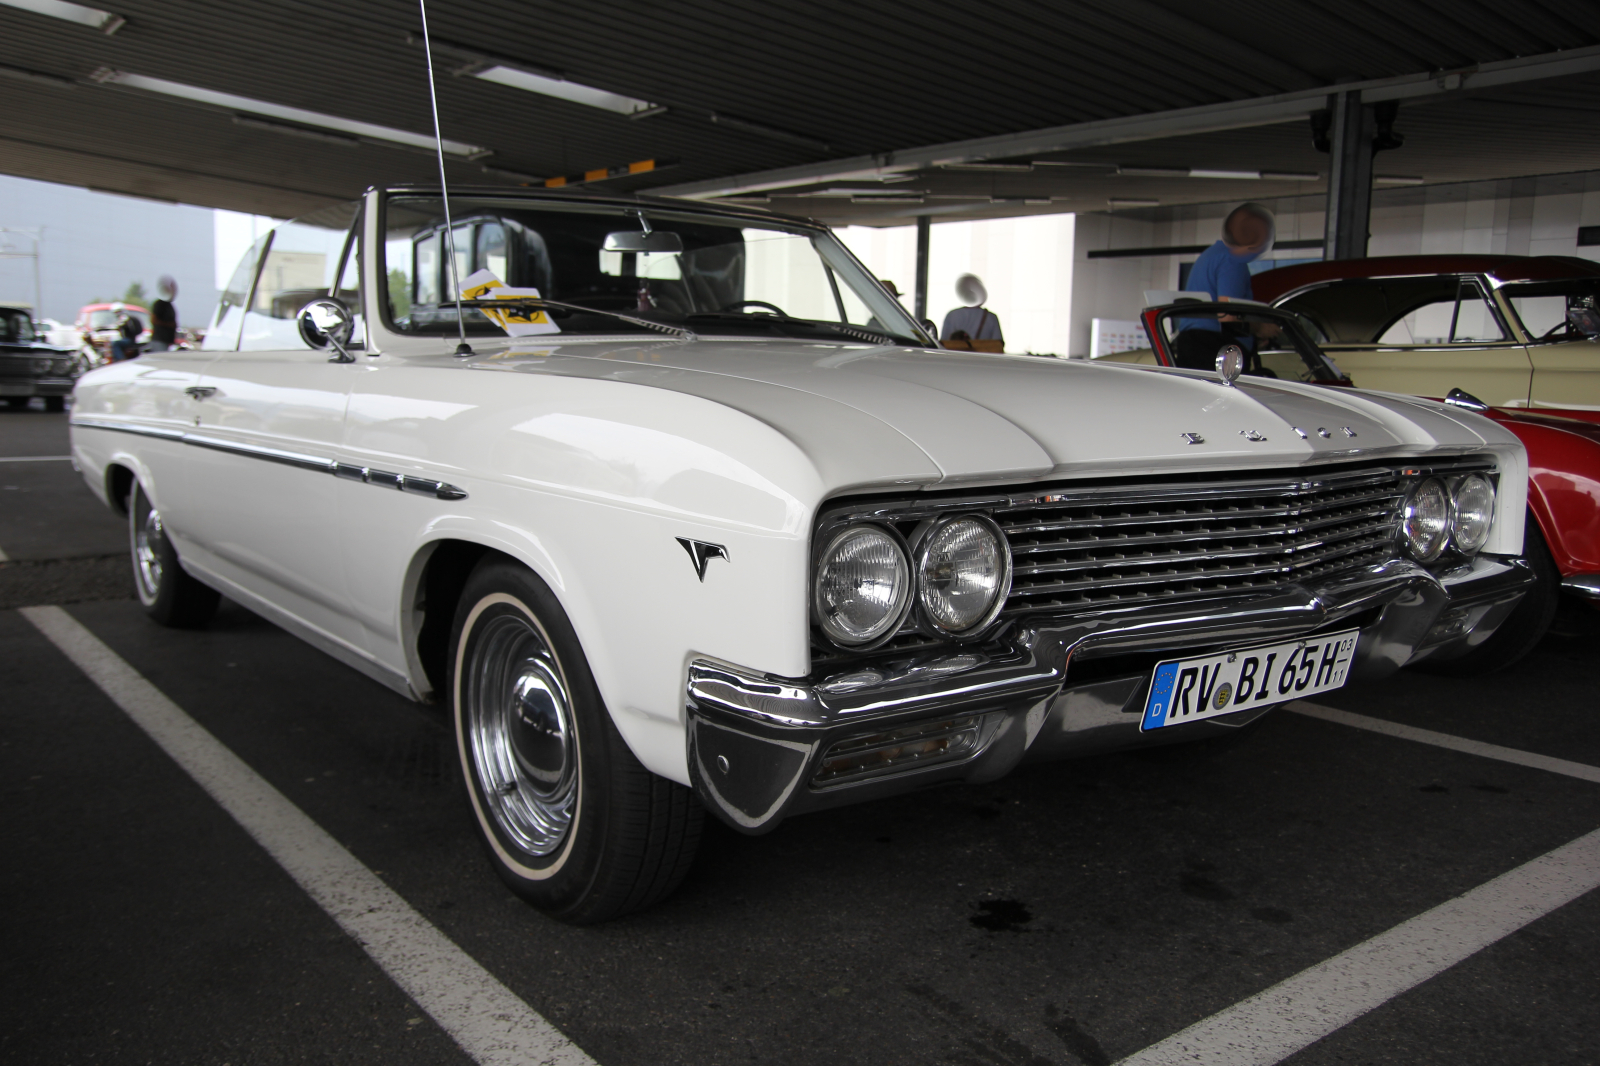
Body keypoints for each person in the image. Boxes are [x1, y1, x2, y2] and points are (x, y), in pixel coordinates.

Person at [1174, 203, 1278, 370]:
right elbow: (1228, 316)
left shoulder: (1212, 254)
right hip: (1215, 348)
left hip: (1194, 345)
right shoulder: (1233, 260)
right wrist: (1261, 328)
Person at [940, 274, 1003, 351]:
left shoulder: (951, 315)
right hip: (981, 357)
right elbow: (998, 344)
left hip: (956, 356)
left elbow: (943, 344)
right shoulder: (991, 317)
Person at [148, 276, 178, 353]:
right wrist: (169, 324)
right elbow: (154, 320)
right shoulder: (160, 304)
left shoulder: (170, 305)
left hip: (166, 341)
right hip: (159, 341)